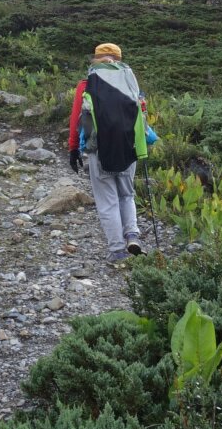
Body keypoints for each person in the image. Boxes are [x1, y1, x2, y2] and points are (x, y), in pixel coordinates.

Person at [67, 43, 158, 264]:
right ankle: (132, 235)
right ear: (119, 59)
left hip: (100, 151)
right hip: (129, 148)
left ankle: (117, 251)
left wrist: (73, 148)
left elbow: (76, 119)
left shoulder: (86, 84)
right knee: (126, 195)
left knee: (107, 201)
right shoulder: (129, 81)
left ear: (95, 59)